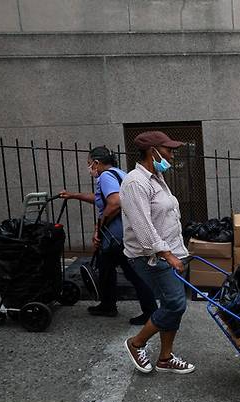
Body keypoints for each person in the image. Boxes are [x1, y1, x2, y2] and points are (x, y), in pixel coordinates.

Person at [121, 131, 194, 374]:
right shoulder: (135, 182)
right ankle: (136, 343)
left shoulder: (156, 177)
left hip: (169, 251)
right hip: (150, 256)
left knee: (172, 304)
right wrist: (167, 254)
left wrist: (178, 251)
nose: (172, 154)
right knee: (175, 304)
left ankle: (165, 358)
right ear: (152, 151)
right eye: (168, 149)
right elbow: (143, 227)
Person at [60, 146, 157, 324]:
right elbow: (102, 198)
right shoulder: (119, 173)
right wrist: (74, 195)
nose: (89, 168)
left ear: (96, 163)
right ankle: (108, 304)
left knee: (130, 272)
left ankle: (149, 312)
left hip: (116, 236)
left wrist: (100, 226)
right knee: (106, 267)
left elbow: (114, 202)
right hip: (125, 233)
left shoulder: (105, 176)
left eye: (90, 164)